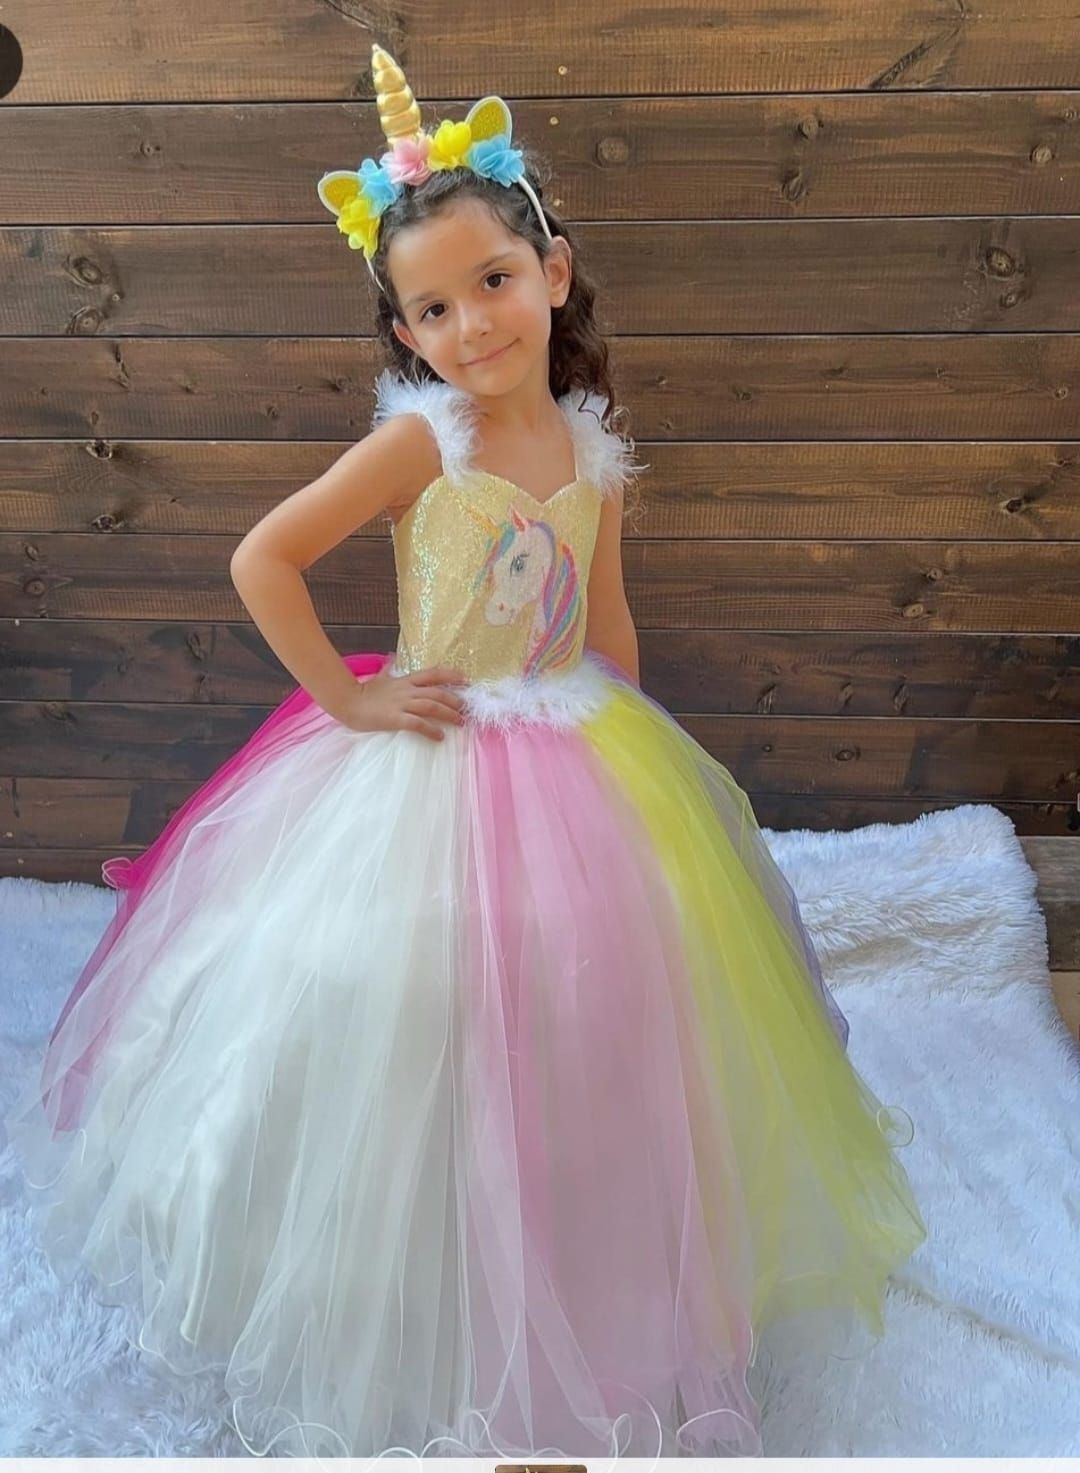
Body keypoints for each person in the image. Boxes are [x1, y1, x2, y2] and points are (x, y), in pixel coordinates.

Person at [2, 44, 927, 1460]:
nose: (471, 323)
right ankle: (409, 1277)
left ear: (552, 273)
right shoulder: (421, 446)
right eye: (432, 308)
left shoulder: (592, 452)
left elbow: (606, 627)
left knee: (592, 998)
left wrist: (643, 787)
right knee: (403, 997)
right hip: (429, 755)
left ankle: (590, 1259)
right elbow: (265, 559)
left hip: (572, 742)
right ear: (406, 332)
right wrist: (350, 700)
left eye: (493, 282)